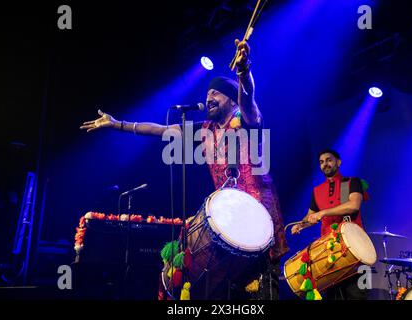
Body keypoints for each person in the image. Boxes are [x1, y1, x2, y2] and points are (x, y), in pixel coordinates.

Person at [80, 39, 289, 299]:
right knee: (231, 289)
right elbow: (159, 130)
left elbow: (248, 99)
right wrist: (117, 124)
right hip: (230, 217)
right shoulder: (205, 130)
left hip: (259, 214)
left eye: (215, 94)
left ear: (230, 100)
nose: (208, 97)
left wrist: (244, 70)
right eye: (207, 93)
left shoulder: (245, 119)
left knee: (263, 283)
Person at [290, 149, 368, 300]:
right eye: (321, 162)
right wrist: (301, 225)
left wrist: (323, 212)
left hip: (357, 251)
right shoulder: (317, 191)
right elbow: (310, 215)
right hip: (328, 253)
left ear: (338, 162)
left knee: (360, 296)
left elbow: (354, 205)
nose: (325, 164)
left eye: (329, 160)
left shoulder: (352, 182)